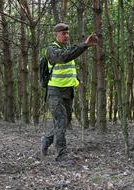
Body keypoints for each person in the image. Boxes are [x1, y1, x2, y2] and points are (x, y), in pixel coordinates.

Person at [41, 23, 97, 162]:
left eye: (67, 33)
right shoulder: (51, 49)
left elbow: (67, 68)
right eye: (63, 33)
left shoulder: (68, 49)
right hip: (55, 92)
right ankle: (61, 155)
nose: (66, 36)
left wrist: (77, 80)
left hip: (68, 91)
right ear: (56, 35)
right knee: (60, 121)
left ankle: (47, 140)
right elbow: (63, 58)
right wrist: (84, 45)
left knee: (65, 122)